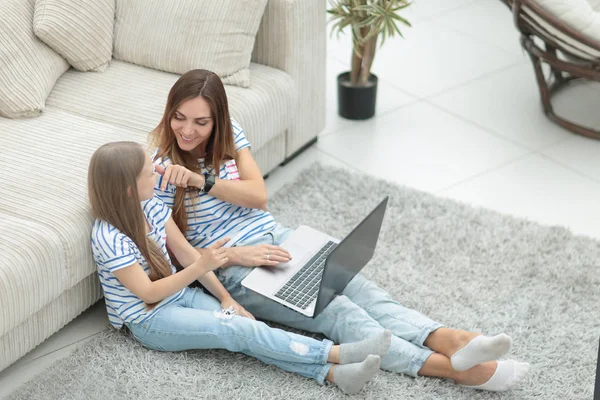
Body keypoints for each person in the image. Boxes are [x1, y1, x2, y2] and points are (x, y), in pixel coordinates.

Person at [149, 69, 531, 392]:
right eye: (179, 117)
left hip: (276, 236)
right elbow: (178, 254)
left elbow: (258, 196)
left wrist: (202, 180)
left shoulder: (230, 134)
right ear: (170, 112)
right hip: (234, 267)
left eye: (201, 122)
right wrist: (233, 255)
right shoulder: (159, 171)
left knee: (361, 288)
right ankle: (456, 369)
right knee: (339, 311)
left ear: (217, 120)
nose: (188, 130)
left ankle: (454, 339)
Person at [88, 141, 395, 395]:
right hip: (150, 317)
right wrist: (203, 265)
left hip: (180, 294)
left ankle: (333, 375)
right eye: (148, 172)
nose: (158, 173)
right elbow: (149, 293)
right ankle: (335, 354)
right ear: (129, 188)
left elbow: (185, 255)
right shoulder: (108, 238)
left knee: (249, 327)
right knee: (233, 330)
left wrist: (226, 299)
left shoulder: (150, 206)